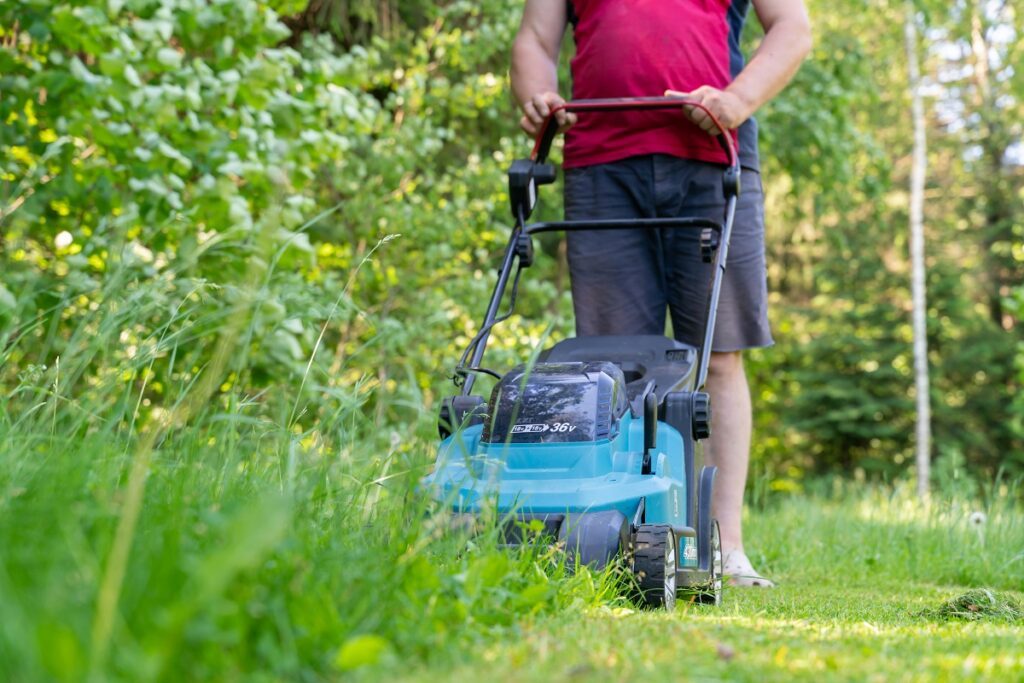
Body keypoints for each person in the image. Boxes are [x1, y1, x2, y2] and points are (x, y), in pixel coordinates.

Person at [511, 0, 811, 586]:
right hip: (601, 166)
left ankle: (722, 544)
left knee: (718, 358)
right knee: (610, 366)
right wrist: (539, 96)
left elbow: (794, 28)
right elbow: (534, 40)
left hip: (713, 160)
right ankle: (616, 538)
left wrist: (738, 100)